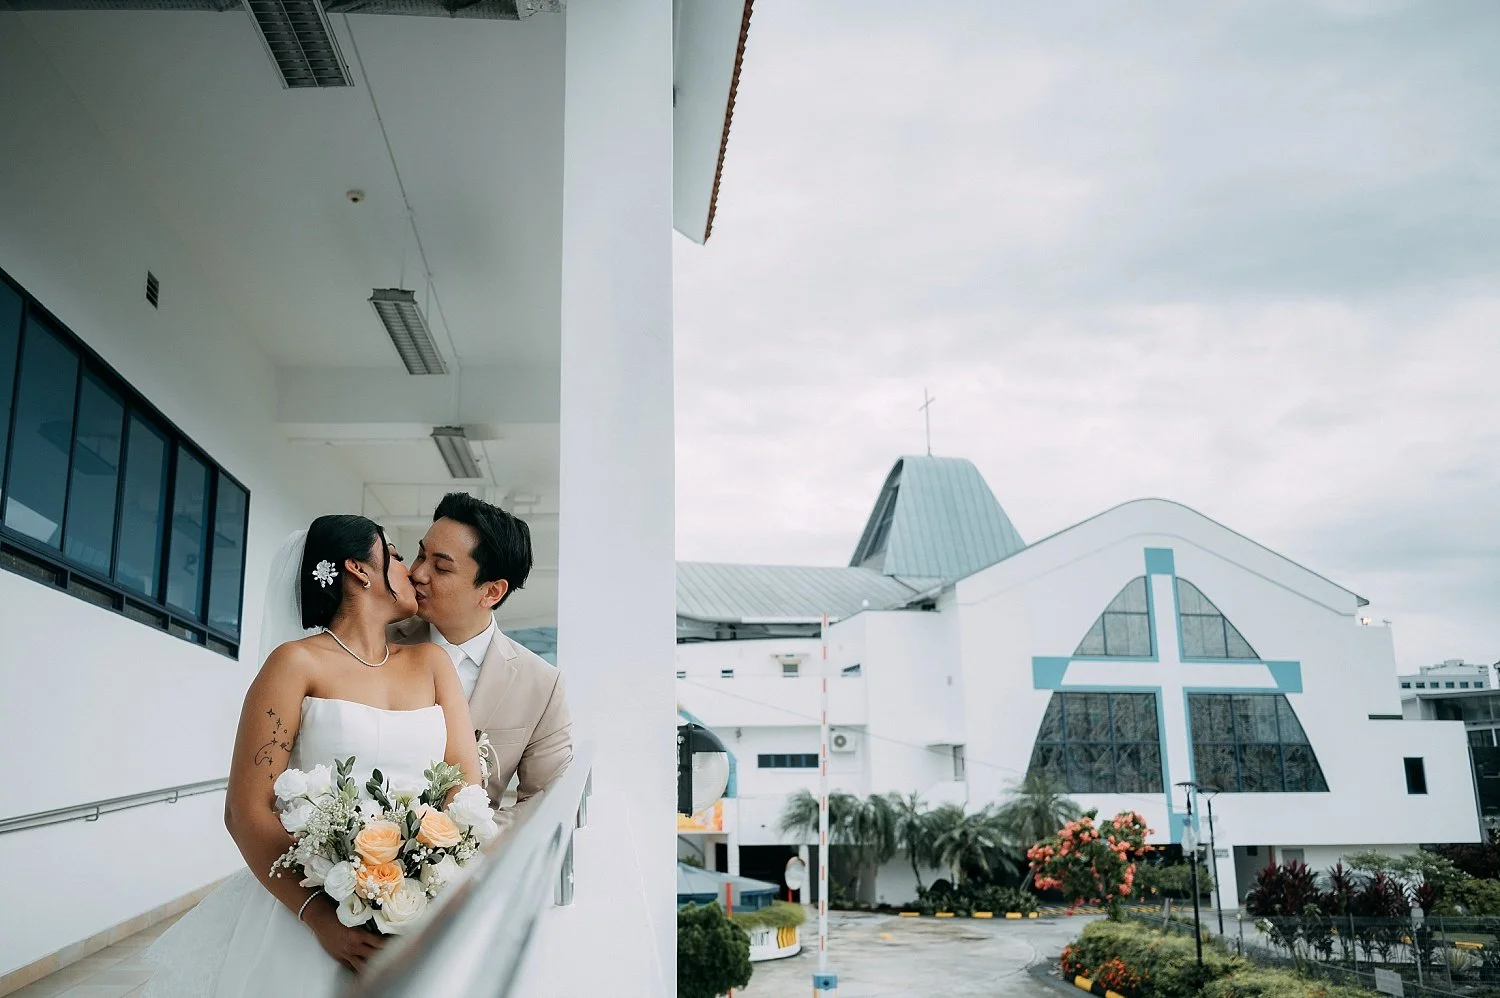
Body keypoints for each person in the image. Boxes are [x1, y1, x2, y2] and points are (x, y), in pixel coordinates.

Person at [142, 515, 483, 997]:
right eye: (395, 555)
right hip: (310, 910)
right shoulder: (294, 664)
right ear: (359, 569)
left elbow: (465, 786)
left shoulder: (432, 664)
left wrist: (428, 876)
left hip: (418, 909)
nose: (411, 569)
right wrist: (320, 917)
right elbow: (245, 810)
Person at [391, 492, 571, 814]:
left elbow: (545, 805)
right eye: (420, 555)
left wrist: (460, 835)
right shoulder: (379, 641)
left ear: (491, 592)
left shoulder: (542, 686)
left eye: (441, 567)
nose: (418, 573)